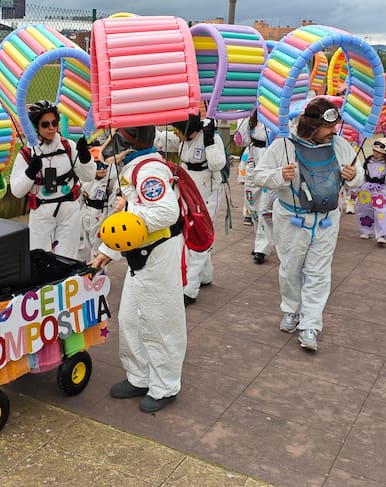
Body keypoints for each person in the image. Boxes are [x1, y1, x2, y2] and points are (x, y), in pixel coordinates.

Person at [89, 125, 186, 413]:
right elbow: (129, 224)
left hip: (158, 253)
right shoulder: (134, 167)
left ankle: (165, 385)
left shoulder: (149, 170)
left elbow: (166, 212)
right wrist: (107, 251)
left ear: (127, 142)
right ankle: (140, 376)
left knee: (159, 321)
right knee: (130, 318)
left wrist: (129, 207)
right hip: (139, 252)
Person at [253, 97, 363, 351]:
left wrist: (354, 176)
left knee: (318, 272)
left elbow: (359, 177)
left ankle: (310, 324)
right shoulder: (283, 145)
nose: (334, 131)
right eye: (329, 127)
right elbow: (258, 176)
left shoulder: (339, 145)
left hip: (327, 220)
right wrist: (279, 175)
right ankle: (292, 310)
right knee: (290, 269)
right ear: (313, 126)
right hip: (291, 220)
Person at [154, 114, 226, 305]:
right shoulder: (183, 139)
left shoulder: (211, 137)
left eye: (178, 130)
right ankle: (205, 275)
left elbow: (218, 164)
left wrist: (210, 142)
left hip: (209, 192)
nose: (176, 134)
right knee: (193, 232)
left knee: (200, 235)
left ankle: (190, 288)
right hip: (189, 188)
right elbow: (160, 139)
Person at [9, 100, 96, 258]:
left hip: (69, 210)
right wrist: (30, 172)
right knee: (39, 258)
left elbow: (88, 176)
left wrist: (85, 158)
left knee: (67, 259)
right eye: (45, 124)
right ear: (36, 127)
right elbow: (17, 191)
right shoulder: (27, 154)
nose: (51, 128)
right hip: (41, 212)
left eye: (54, 123)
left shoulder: (68, 146)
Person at [234, 111, 276, 264]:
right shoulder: (251, 118)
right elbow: (240, 141)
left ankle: (261, 247)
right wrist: (246, 116)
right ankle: (260, 240)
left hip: (270, 159)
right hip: (252, 159)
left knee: (265, 206)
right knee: (251, 203)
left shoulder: (276, 114)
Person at [79, 136, 118, 260]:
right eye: (97, 165)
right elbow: (80, 199)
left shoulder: (112, 181)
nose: (101, 168)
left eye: (104, 165)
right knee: (85, 247)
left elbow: (113, 205)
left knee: (97, 248)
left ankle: (97, 270)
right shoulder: (83, 179)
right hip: (85, 214)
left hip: (102, 215)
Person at [356, 137, 386, 245]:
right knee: (364, 210)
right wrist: (356, 189)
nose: (376, 153)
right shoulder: (367, 162)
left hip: (380, 192)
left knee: (381, 213)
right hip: (365, 190)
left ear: (385, 153)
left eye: (379, 152)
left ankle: (382, 234)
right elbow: (362, 176)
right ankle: (366, 230)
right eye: (374, 150)